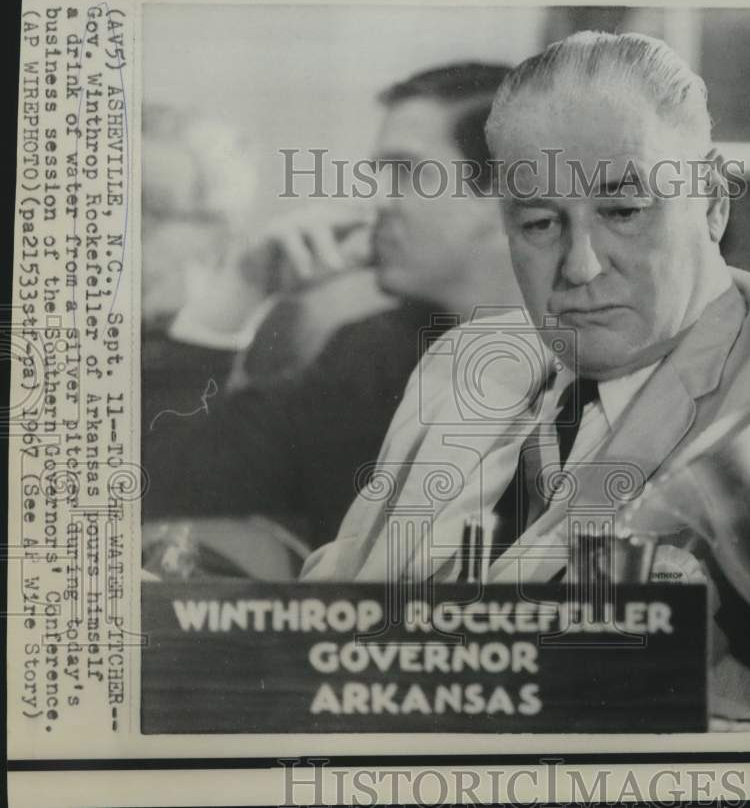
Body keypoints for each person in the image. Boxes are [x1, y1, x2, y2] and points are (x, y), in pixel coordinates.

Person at [301, 32, 750, 718]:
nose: (581, 266)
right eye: (539, 223)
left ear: (712, 201)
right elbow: (348, 603)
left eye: (623, 212)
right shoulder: (463, 362)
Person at [142, 63, 522, 549]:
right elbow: (156, 485)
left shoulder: (618, 363)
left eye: (405, 172)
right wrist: (240, 288)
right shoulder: (363, 359)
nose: (375, 201)